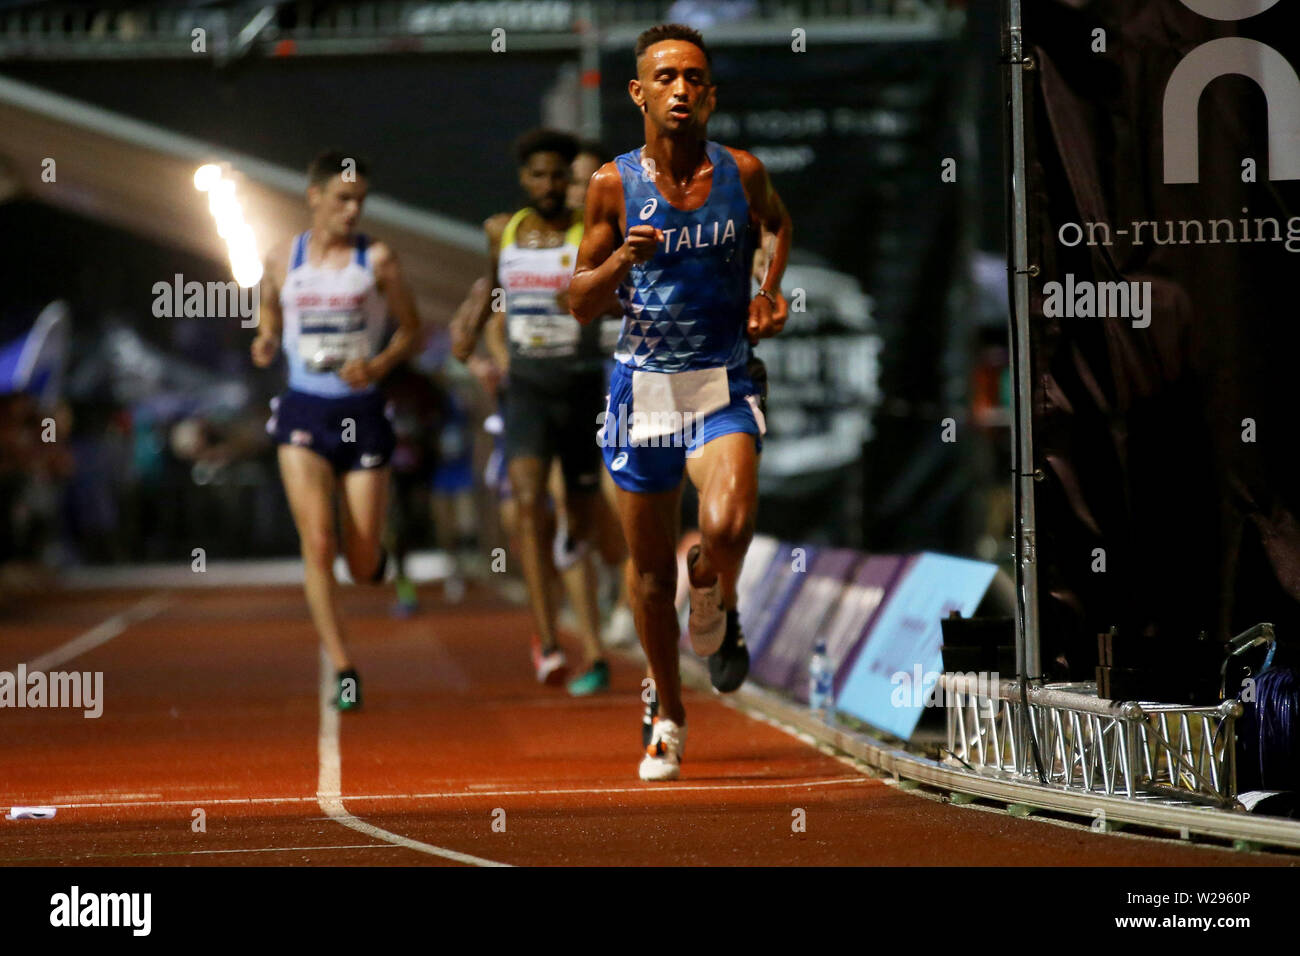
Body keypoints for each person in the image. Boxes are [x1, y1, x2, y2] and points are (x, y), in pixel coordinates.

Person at [569, 23, 792, 780]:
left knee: (725, 524)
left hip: (719, 379)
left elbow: (778, 226)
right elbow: (576, 301)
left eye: (694, 78)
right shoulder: (611, 185)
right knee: (648, 572)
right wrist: (620, 262)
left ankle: (714, 593)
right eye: (665, 78)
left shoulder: (743, 172)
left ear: (711, 95)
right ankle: (666, 708)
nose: (680, 90)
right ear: (639, 93)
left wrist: (767, 293)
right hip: (644, 390)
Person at [252, 150, 421, 711]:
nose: (352, 210)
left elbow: (412, 332)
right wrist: (267, 336)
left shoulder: (378, 260)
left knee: (362, 562)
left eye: (360, 201)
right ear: (315, 196)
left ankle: (376, 556)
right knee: (318, 541)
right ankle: (344, 668)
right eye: (343, 199)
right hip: (304, 409)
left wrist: (376, 365)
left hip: (363, 412)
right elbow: (268, 305)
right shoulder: (283, 256)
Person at [451, 129, 616, 693]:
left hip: (580, 386)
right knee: (527, 506)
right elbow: (492, 289)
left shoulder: (591, 234)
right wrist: (469, 326)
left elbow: (617, 295)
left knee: (581, 522)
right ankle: (547, 642)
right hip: (526, 389)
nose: (550, 186)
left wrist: (581, 295)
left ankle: (582, 592)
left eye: (560, 176)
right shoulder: (506, 231)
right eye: (539, 175)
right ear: (525, 178)